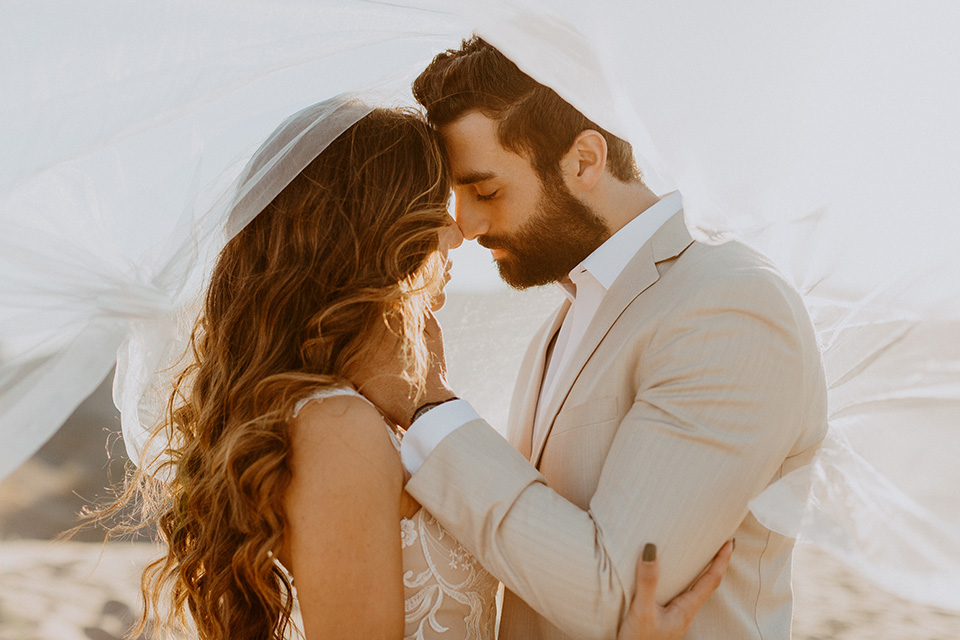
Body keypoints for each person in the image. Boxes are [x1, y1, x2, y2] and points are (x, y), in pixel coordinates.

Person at [106, 100, 731, 640]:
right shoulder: (339, 426)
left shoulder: (357, 412)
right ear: (377, 231)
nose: (459, 234)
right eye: (437, 205)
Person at [391, 37, 829, 639]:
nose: (464, 225)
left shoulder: (729, 306)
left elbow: (612, 595)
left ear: (584, 160)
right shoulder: (563, 322)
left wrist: (429, 409)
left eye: (485, 190)